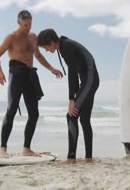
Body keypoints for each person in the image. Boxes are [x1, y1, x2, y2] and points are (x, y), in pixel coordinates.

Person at [0, 10, 63, 158]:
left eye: (30, 24)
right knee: (11, 110)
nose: (28, 27)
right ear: (18, 23)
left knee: (34, 113)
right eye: (25, 25)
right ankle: (2, 149)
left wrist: (51, 68)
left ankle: (26, 148)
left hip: (30, 76)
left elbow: (38, 55)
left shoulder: (33, 37)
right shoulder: (11, 38)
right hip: (16, 75)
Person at [37, 28, 100, 164]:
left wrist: (72, 99)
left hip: (89, 80)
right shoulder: (64, 46)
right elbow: (76, 72)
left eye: (46, 47)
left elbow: (72, 73)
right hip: (90, 80)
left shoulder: (66, 47)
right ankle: (88, 158)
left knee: (71, 115)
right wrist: (77, 93)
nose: (47, 51)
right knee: (84, 119)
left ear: (52, 42)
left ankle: (71, 158)